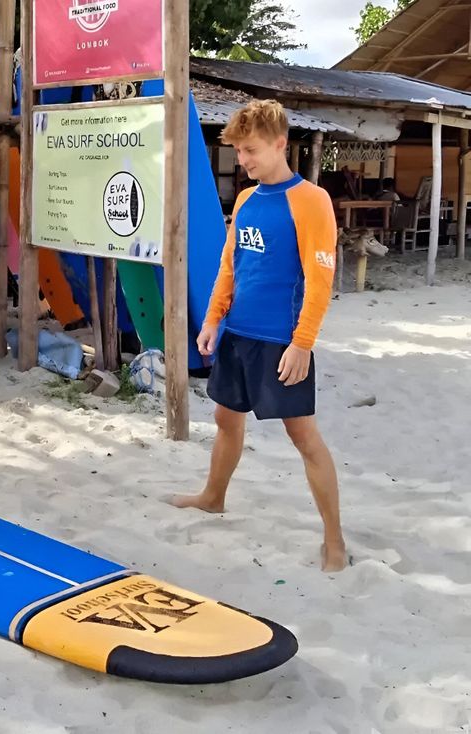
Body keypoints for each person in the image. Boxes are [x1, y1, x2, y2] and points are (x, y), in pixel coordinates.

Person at [170, 100, 347, 573]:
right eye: (239, 151)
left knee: (304, 437)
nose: (243, 160)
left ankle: (335, 541)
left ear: (279, 144)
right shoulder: (247, 201)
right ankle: (213, 497)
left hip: (281, 342)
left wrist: (303, 342)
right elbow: (231, 265)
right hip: (238, 335)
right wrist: (212, 320)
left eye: (250, 150)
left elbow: (319, 279)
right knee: (226, 419)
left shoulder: (311, 201)